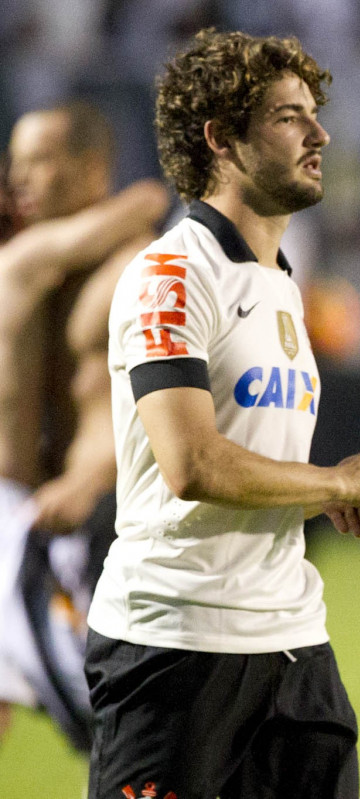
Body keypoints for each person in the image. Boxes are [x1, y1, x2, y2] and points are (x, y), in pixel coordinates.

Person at [85, 29, 360, 799]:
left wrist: (315, 494)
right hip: (173, 648)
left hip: (294, 647)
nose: (319, 133)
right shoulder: (171, 274)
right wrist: (333, 484)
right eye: (287, 116)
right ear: (221, 139)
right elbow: (192, 463)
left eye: (314, 113)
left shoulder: (280, 283)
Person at [0, 102, 170, 752]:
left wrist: (80, 481)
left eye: (40, 159)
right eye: (15, 158)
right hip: (35, 519)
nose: (20, 176)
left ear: (94, 169)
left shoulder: (133, 272)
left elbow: (142, 414)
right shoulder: (37, 266)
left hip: (83, 526)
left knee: (121, 732)